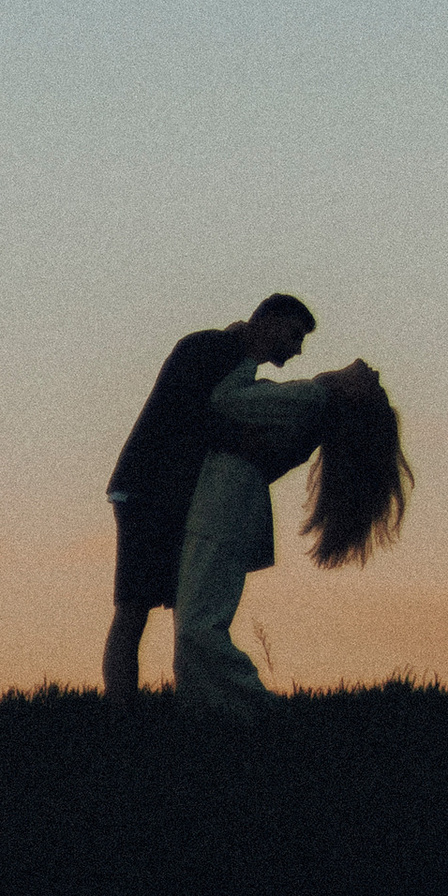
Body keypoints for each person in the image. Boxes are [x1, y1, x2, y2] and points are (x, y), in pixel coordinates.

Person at [173, 351, 413, 719]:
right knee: (199, 619)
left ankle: (256, 709)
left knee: (197, 623)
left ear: (354, 397)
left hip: (224, 506)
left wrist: (244, 354)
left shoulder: (312, 398)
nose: (370, 366)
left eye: (373, 382)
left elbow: (225, 400)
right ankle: (207, 710)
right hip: (232, 506)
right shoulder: (312, 407)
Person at [102, 296, 316, 703]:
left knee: (176, 606)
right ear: (269, 322)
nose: (297, 348)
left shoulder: (231, 361)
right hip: (148, 490)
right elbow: (189, 412)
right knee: (134, 608)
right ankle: (121, 711)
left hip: (171, 494)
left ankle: (184, 702)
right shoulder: (209, 348)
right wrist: (240, 436)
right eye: (295, 334)